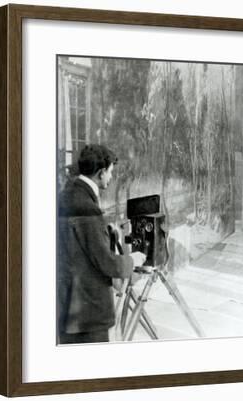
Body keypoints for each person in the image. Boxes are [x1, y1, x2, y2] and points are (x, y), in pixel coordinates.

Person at [57, 144, 146, 344]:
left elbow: (77, 247)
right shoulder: (88, 209)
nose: (111, 177)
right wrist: (132, 260)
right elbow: (107, 263)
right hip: (87, 313)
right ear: (100, 173)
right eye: (110, 172)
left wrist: (104, 229)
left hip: (65, 306)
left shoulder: (66, 196)